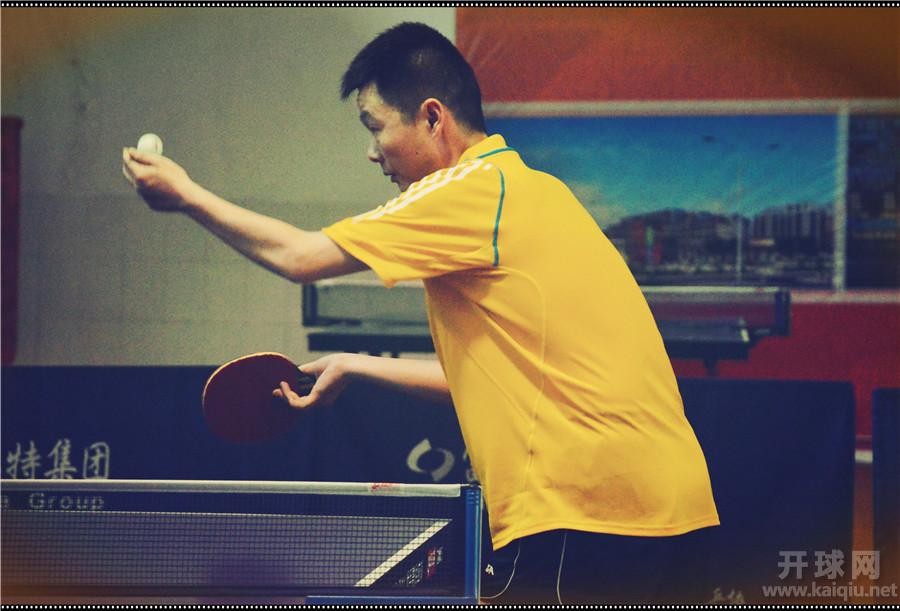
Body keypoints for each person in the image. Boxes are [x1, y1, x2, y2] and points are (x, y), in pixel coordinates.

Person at [122, 22, 719, 604]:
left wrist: (186, 196)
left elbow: (300, 256)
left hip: (584, 510)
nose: (371, 152)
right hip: (670, 505)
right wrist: (357, 365)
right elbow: (489, 379)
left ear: (432, 118)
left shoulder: (467, 189)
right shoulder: (538, 191)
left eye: (375, 126)